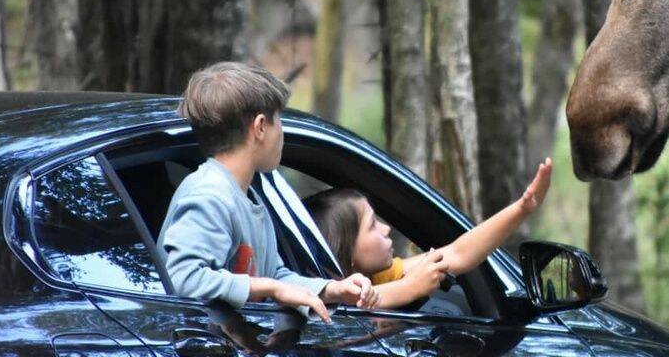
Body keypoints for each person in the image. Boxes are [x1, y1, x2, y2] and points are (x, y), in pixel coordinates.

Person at [158, 61, 379, 321]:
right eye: (279, 122)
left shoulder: (247, 196)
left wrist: (331, 289)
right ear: (261, 126)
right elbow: (185, 279)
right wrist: (273, 288)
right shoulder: (209, 195)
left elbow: (274, 274)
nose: (281, 133)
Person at [307, 158, 554, 309]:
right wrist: (411, 287)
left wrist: (523, 207)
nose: (387, 228)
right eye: (372, 225)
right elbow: (355, 304)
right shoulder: (328, 306)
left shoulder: (378, 278)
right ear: (346, 250)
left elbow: (457, 254)